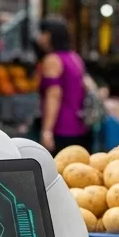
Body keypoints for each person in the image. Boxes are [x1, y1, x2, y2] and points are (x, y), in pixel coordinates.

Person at [36, 17, 91, 153]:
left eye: (42, 33)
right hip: (79, 127)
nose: (39, 37)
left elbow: (54, 96)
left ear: (49, 35)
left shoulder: (52, 60)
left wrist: (47, 131)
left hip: (60, 129)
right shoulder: (74, 57)